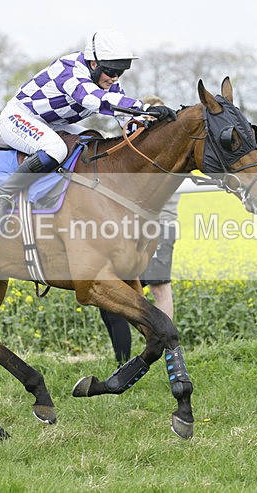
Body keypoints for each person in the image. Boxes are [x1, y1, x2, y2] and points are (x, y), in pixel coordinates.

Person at [0, 29, 177, 233]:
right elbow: (92, 100)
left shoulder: (108, 81)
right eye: (111, 71)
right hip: (19, 117)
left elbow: (123, 116)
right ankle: (0, 195)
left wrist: (147, 125)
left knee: (93, 139)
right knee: (56, 150)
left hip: (53, 123)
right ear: (93, 64)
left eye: (120, 72)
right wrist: (144, 107)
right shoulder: (69, 69)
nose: (115, 78)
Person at [100, 95, 181, 364]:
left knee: (159, 289)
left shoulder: (163, 155)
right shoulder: (139, 151)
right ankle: (125, 358)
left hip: (157, 228)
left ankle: (169, 352)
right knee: (114, 297)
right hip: (131, 231)